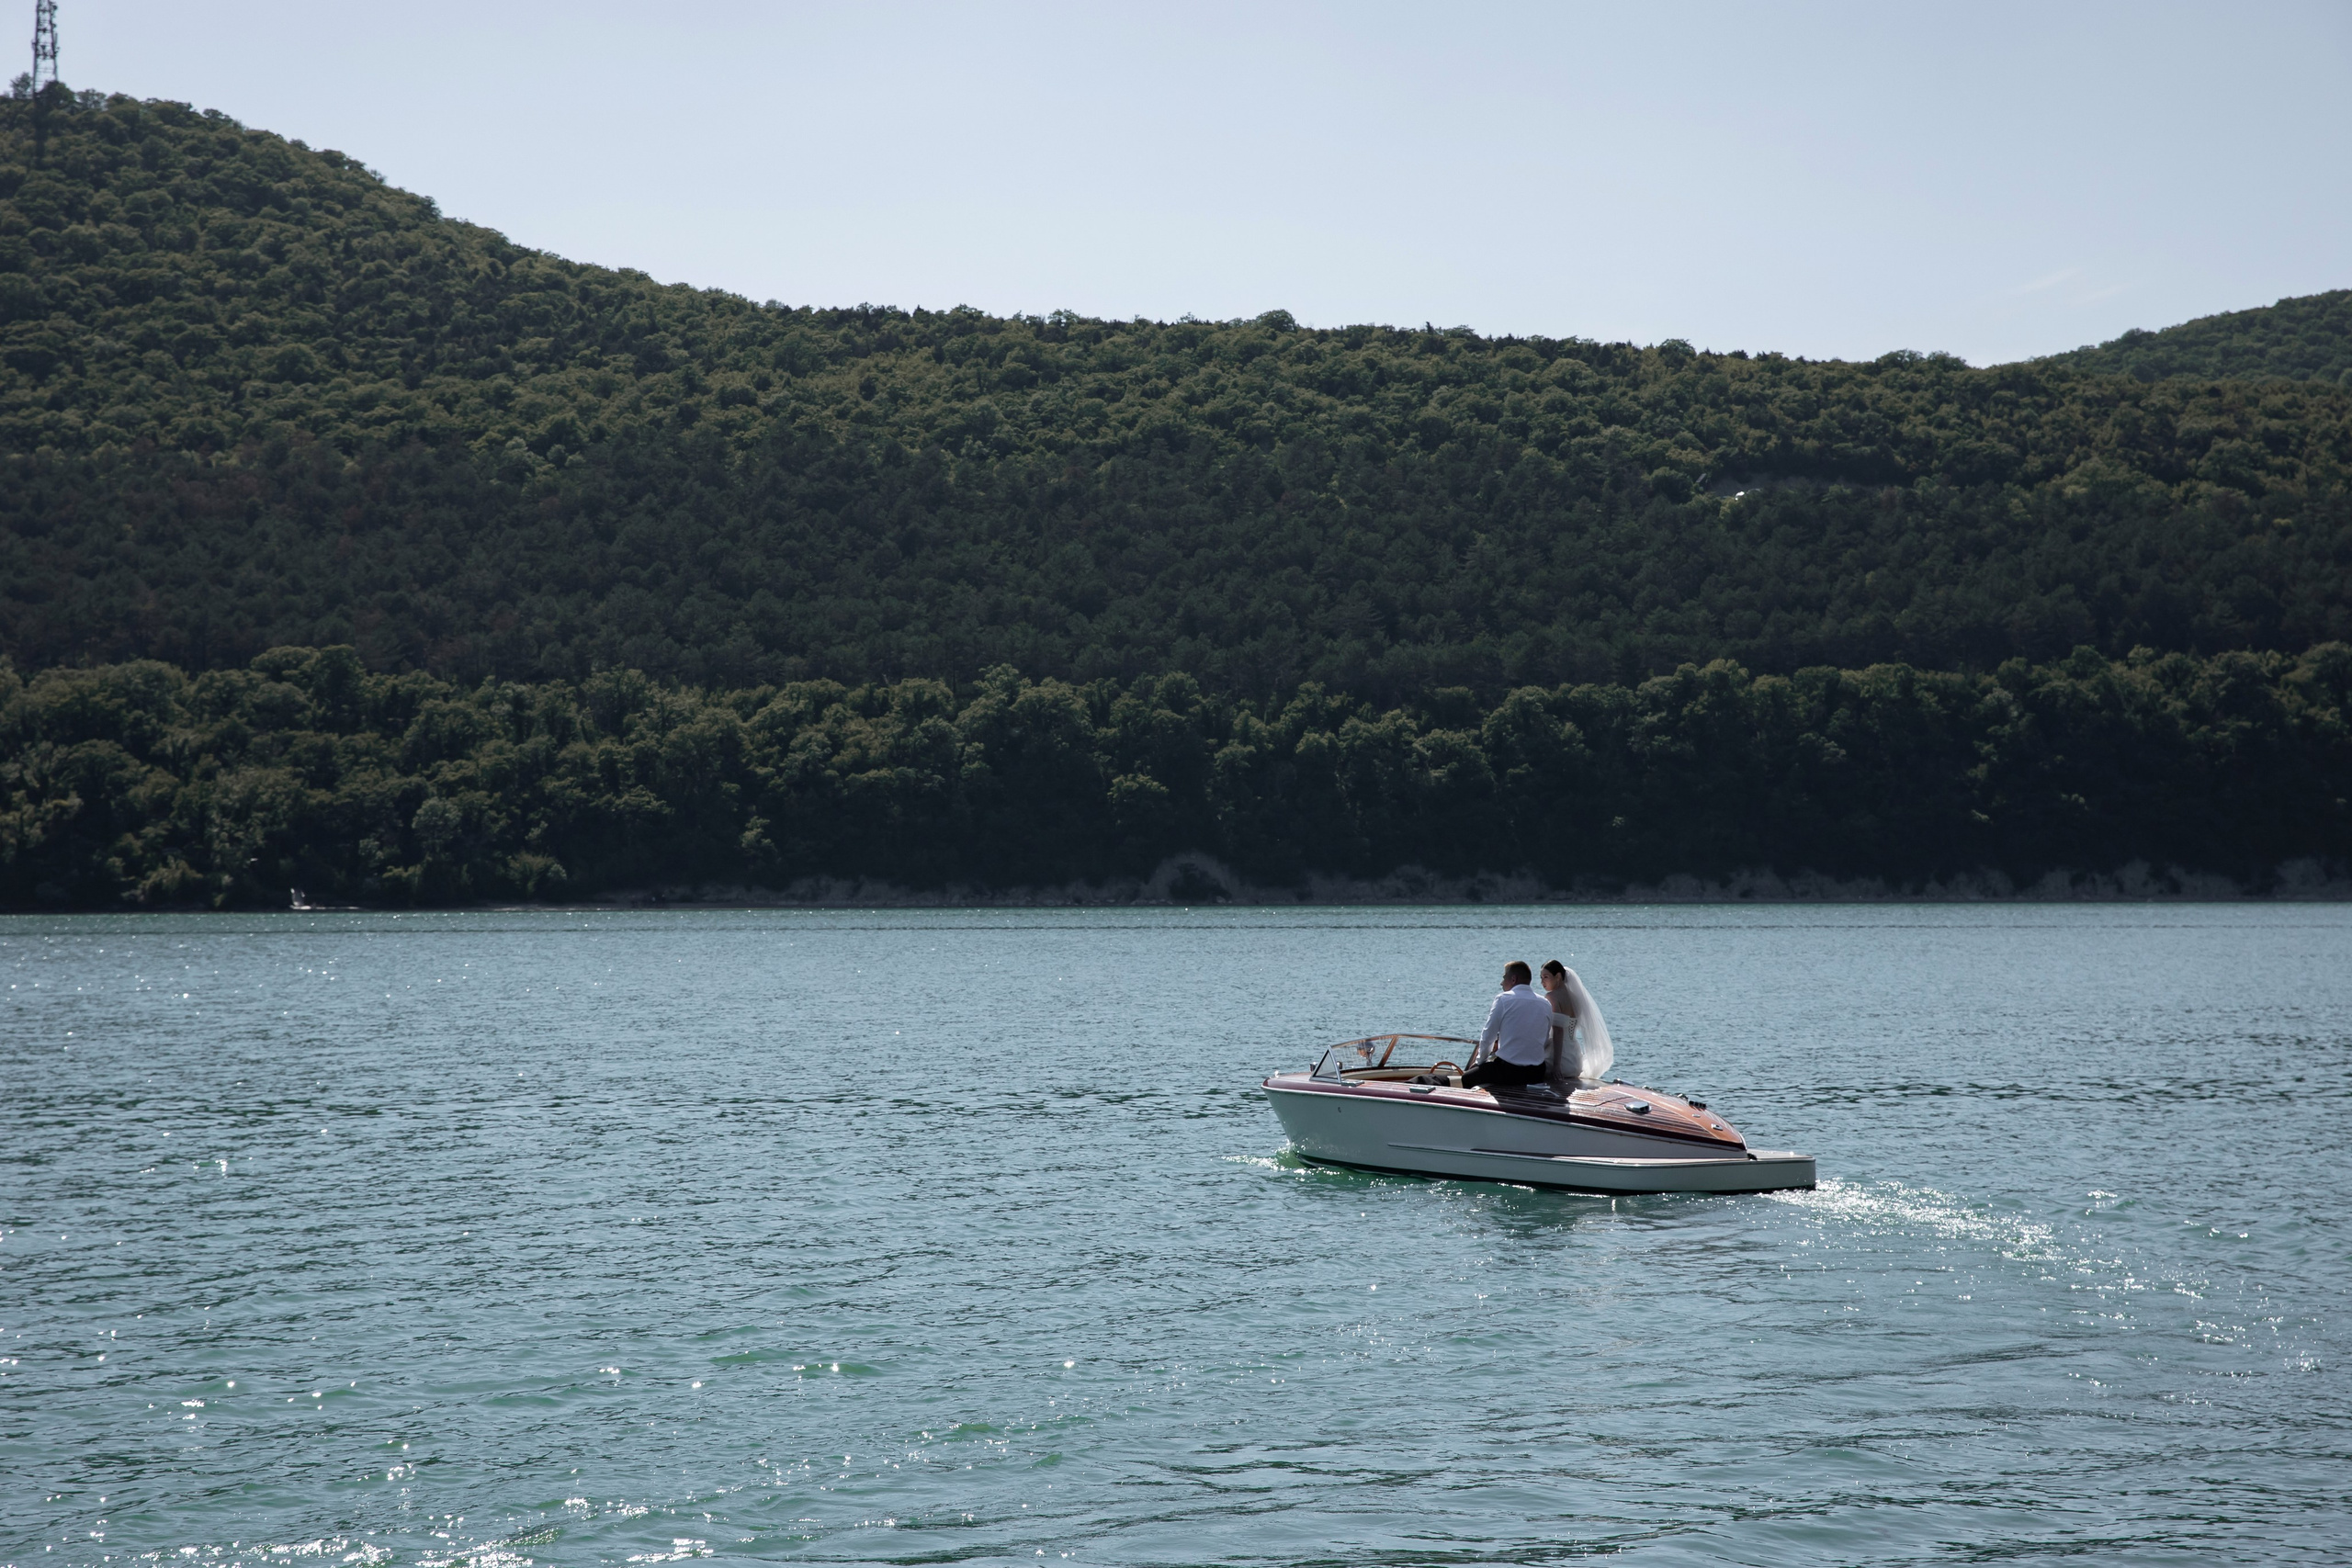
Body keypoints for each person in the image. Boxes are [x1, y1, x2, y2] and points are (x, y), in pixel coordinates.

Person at [1464, 961, 1552, 1091]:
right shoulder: (1545, 1004)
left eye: (1504, 977)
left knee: (1466, 1078)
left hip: (1509, 1071)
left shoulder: (1503, 999)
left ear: (1513, 979)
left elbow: (1488, 1035)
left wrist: (1479, 1062)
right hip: (1536, 1072)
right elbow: (1544, 1038)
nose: (1501, 982)